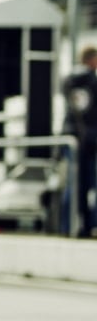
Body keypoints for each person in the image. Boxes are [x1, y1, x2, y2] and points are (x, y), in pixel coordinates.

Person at [61, 45, 97, 238]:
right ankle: (90, 225)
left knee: (72, 185)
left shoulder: (67, 80)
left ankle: (67, 226)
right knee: (90, 184)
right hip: (90, 139)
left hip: (71, 138)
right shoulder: (92, 80)